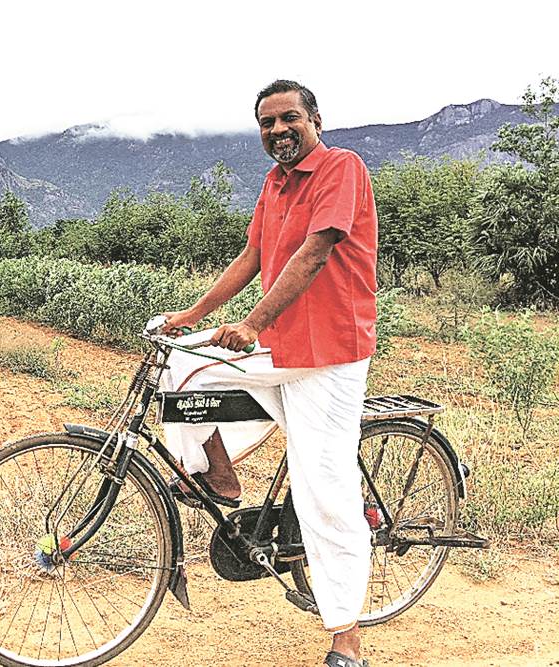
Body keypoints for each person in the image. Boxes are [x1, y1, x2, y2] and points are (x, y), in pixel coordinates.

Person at [156, 79, 377, 667]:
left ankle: (346, 634)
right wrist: (193, 315)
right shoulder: (274, 182)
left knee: (323, 495)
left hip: (329, 354)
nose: (277, 130)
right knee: (183, 369)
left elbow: (314, 252)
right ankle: (221, 478)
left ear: (315, 120)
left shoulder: (341, 168)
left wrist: (249, 325)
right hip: (282, 347)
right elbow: (252, 257)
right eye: (266, 123)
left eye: (288, 118)